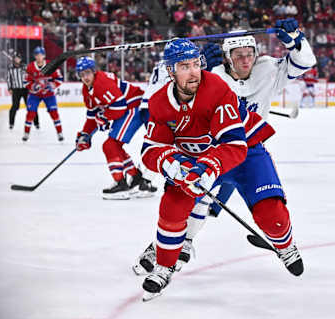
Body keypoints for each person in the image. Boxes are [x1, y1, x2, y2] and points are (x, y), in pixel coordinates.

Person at [134, 18, 316, 279]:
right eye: (238, 55)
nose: (245, 60)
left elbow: (304, 62)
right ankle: (172, 245)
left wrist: (295, 40)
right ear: (227, 57)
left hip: (245, 147)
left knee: (259, 208)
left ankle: (281, 240)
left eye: (250, 54)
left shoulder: (267, 70)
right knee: (192, 195)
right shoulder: (213, 77)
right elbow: (180, 90)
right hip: (208, 149)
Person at [75, 56, 157, 199]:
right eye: (81, 74)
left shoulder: (102, 83)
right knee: (113, 146)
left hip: (133, 106)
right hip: (126, 108)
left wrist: (104, 118)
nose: (85, 77)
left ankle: (121, 184)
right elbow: (92, 115)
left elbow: (119, 107)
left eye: (87, 72)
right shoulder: (86, 90)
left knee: (110, 145)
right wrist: (85, 135)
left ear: (94, 71)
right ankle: (136, 178)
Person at [23, 46, 63, 142]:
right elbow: (25, 82)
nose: (39, 57)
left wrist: (51, 85)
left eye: (41, 55)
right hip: (34, 95)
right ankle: (26, 133)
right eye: (37, 55)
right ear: (35, 56)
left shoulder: (50, 65)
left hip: (48, 94)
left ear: (44, 55)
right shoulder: (30, 67)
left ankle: (59, 133)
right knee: (31, 113)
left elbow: (60, 78)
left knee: (54, 113)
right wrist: (33, 86)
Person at [7, 54, 39, 130]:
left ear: (21, 59)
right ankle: (11, 124)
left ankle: (36, 123)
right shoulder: (10, 68)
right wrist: (9, 88)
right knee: (14, 106)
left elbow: (31, 76)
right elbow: (9, 79)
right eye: (16, 58)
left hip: (26, 90)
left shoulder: (25, 67)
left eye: (19, 58)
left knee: (31, 106)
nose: (17, 60)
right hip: (16, 90)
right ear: (14, 59)